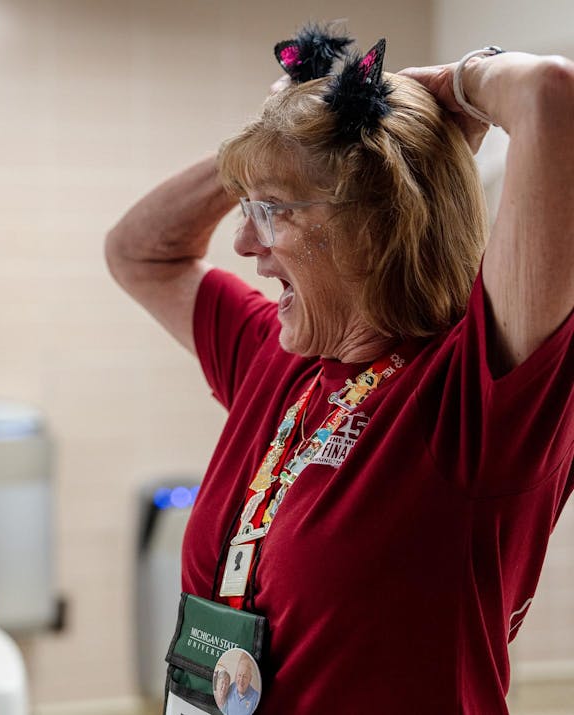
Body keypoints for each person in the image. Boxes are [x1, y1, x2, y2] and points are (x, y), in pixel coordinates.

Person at [106, 24, 574, 715]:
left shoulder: (474, 395)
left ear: (370, 225)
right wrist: (284, 132)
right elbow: (139, 252)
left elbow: (548, 94)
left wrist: (453, 86)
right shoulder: (282, 358)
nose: (243, 243)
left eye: (270, 212)